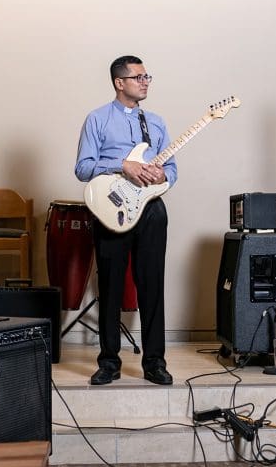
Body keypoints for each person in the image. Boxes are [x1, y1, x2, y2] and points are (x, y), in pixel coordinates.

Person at [75, 55, 177, 385]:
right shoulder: (97, 119)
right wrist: (122, 166)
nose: (145, 81)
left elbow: (172, 171)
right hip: (111, 208)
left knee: (152, 285)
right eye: (138, 77)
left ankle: (154, 362)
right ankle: (108, 362)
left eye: (148, 76)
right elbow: (82, 168)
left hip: (150, 210)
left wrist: (164, 174)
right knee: (111, 285)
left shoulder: (157, 123)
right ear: (120, 83)